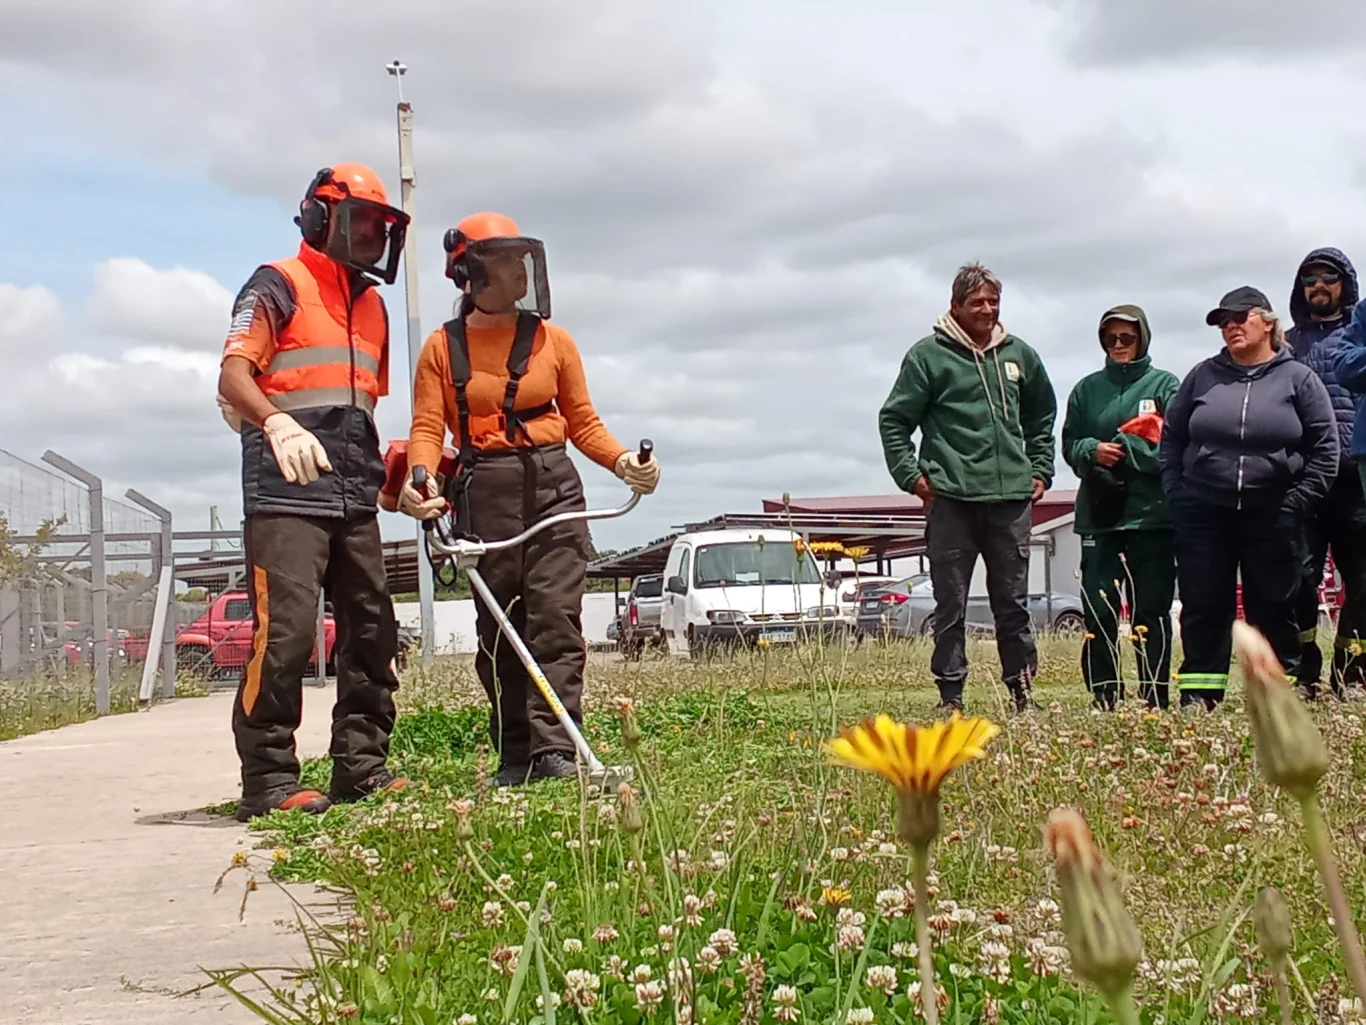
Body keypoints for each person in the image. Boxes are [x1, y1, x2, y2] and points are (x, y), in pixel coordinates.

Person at [400, 212, 659, 787]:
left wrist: (624, 463)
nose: (520, 273)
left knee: (555, 620)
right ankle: (515, 755)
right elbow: (427, 427)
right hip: (482, 493)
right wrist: (422, 477)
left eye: (524, 261)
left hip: (554, 486)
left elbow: (583, 422)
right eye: (505, 262)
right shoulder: (442, 349)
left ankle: (556, 751)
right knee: (500, 631)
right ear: (470, 273)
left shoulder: (554, 340)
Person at [216, 163, 411, 821]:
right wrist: (272, 420)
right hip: (284, 493)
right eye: (361, 224)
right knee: (290, 633)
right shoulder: (278, 284)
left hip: (354, 493)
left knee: (375, 631)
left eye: (380, 228)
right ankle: (269, 778)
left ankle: (362, 765)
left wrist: (397, 486)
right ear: (320, 219)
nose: (371, 239)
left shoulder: (374, 307)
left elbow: (360, 415)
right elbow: (234, 375)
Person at [878, 262, 1057, 712]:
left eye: (993, 301)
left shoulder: (1021, 356)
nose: (987, 309)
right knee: (951, 605)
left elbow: (1041, 417)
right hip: (951, 499)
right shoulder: (928, 356)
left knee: (1013, 605)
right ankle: (951, 698)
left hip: (1010, 499)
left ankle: (1022, 694)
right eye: (976, 302)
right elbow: (895, 420)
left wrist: (1040, 469)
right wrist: (912, 477)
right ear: (954, 306)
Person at [1159, 286, 1337, 709]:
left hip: (1273, 508)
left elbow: (1325, 450)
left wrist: (1297, 501)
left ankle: (1279, 696)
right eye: (1224, 322)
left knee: (1276, 603)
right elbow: (1172, 438)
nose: (1231, 327)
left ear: (1268, 323)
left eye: (1240, 318)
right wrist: (1177, 492)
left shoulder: (1299, 379)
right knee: (1203, 603)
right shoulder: (1202, 375)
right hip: (1204, 508)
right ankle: (1200, 694)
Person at [1062, 305, 1180, 711]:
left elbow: (1175, 447)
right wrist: (1091, 449)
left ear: (1142, 338)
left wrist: (1128, 447)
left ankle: (1154, 697)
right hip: (1100, 517)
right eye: (1110, 338)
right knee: (1099, 613)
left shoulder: (1166, 385)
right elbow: (1069, 446)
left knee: (1152, 611)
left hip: (1152, 519)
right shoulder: (1085, 389)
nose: (1118, 345)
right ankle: (1105, 696)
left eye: (1126, 337)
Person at [1288, 249, 1366, 699]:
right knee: (1299, 579)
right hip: (1304, 479)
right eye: (1309, 279)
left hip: (1356, 479)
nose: (1319, 286)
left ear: (1345, 284)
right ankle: (1304, 674)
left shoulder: (1359, 340)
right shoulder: (1287, 344)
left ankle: (1352, 673)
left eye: (1329, 278)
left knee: (1363, 580)